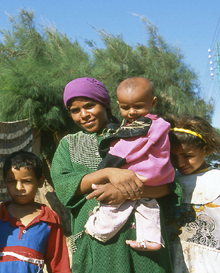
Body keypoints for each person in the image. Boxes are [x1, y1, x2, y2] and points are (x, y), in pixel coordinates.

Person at [51, 77, 178, 272]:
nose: (83, 115)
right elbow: (64, 186)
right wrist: (109, 173)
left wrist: (127, 193)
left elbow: (170, 187)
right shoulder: (69, 144)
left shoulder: (143, 132)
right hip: (96, 245)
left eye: (89, 106)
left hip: (142, 241)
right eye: (75, 111)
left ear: (106, 104)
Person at [84, 77, 175, 251]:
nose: (132, 112)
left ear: (153, 102)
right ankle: (151, 239)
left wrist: (105, 169)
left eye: (138, 106)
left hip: (140, 174)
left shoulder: (142, 126)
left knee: (113, 206)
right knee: (148, 206)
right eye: (125, 108)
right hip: (159, 176)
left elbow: (125, 151)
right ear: (118, 105)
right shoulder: (160, 124)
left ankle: (99, 230)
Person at [0, 150, 71, 273]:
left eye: (26, 181)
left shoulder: (49, 219)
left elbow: (59, 266)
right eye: (12, 181)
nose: (19, 187)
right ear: (4, 181)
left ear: (40, 181)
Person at [167, 115, 220, 272]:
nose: (180, 163)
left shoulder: (217, 180)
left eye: (188, 156)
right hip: (172, 259)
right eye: (173, 156)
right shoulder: (169, 181)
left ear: (207, 150)